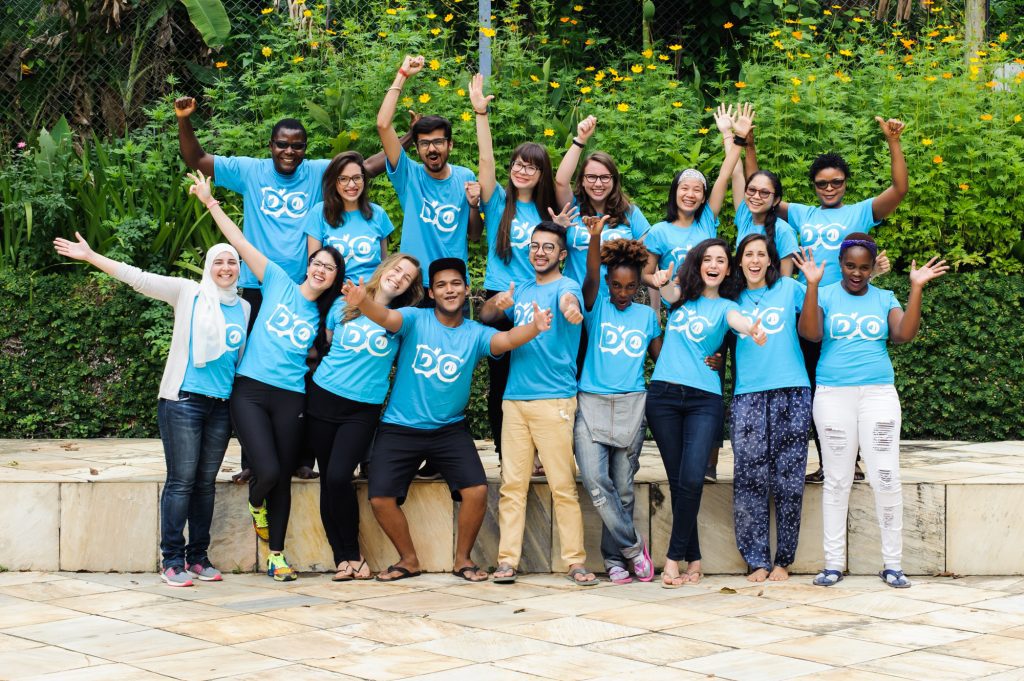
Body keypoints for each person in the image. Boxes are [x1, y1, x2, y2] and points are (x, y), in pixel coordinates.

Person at [175, 97, 409, 482]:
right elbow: (197, 159)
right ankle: (253, 460)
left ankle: (302, 457)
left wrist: (410, 136)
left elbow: (364, 167)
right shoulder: (249, 171)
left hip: (307, 291)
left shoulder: (317, 172)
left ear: (305, 149)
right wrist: (184, 120)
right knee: (252, 368)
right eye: (282, 144)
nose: (289, 151)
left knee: (308, 365)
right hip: (259, 286)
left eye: (297, 145)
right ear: (270, 145)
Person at [54, 233, 250, 587]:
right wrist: (91, 255)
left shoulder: (245, 307)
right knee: (182, 481)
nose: (226, 268)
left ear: (239, 269)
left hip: (221, 406)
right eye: (219, 261)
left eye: (232, 262)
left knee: (205, 484)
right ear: (209, 266)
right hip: (184, 401)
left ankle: (198, 557)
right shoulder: (189, 293)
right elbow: (139, 278)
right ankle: (172, 560)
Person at [344, 257, 552, 582]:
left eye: (456, 283)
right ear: (431, 292)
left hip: (449, 429)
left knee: (477, 491)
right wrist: (363, 303)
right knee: (381, 498)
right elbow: (386, 316)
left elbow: (508, 340)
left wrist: (535, 328)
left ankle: (463, 560)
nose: (449, 290)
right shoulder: (415, 319)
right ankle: (408, 560)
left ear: (467, 289)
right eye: (441, 285)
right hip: (400, 427)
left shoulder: (475, 333)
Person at [187, 170, 344, 582]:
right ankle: (256, 504)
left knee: (284, 480)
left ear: (334, 278)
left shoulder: (326, 314)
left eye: (330, 268)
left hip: (291, 397)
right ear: (308, 265)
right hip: (251, 392)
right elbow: (239, 242)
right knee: (269, 472)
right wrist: (210, 201)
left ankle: (277, 555)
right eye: (318, 262)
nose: (321, 269)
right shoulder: (277, 281)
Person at [745, 116, 907, 482]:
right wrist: (749, 146)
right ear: (814, 186)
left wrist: (893, 142)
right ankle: (829, 462)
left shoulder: (860, 211)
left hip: (849, 308)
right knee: (818, 387)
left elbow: (899, 190)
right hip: (812, 310)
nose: (829, 188)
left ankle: (853, 462)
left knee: (849, 386)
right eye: (822, 183)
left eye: (836, 182)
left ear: (846, 183)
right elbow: (760, 192)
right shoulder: (803, 213)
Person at [795, 235, 947, 589]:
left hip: (878, 395)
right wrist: (812, 285)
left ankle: (893, 564)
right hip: (833, 395)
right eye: (850, 265)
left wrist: (916, 289)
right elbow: (810, 333)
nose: (857, 273)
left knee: (886, 476)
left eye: (864, 267)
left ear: (872, 266)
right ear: (841, 264)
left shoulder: (884, 298)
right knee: (837, 479)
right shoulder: (826, 293)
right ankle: (833, 563)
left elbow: (903, 335)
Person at [479, 222, 595, 586]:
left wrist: (571, 310)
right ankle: (506, 561)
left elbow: (569, 303)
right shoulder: (522, 289)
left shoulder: (567, 286)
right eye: (535, 246)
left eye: (548, 247)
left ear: (562, 254)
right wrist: (497, 304)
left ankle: (575, 562)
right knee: (512, 485)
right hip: (514, 401)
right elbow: (486, 318)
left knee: (562, 485)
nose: (540, 252)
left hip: (554, 400)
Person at [646, 238, 766, 587]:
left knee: (692, 479)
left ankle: (672, 560)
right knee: (679, 482)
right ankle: (694, 559)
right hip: (663, 397)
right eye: (707, 259)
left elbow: (737, 320)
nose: (714, 265)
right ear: (698, 264)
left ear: (728, 269)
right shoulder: (680, 297)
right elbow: (665, 290)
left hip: (704, 400)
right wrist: (661, 281)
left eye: (721, 260)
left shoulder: (728, 307)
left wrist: (751, 329)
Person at [645, 105, 754, 483]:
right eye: (684, 188)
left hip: (714, 310)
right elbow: (644, 271)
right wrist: (657, 279)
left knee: (714, 369)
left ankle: (708, 459)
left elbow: (725, 175)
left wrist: (735, 138)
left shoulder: (708, 219)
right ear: (674, 192)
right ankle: (685, 455)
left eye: (697, 189)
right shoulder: (659, 231)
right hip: (679, 311)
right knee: (681, 374)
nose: (691, 194)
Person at [306, 254, 423, 581]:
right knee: (328, 480)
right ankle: (342, 558)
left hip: (362, 409)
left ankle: (354, 553)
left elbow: (387, 323)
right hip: (323, 397)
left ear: (410, 288)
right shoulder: (341, 305)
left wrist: (363, 302)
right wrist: (356, 301)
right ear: (384, 269)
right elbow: (329, 343)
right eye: (396, 269)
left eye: (407, 277)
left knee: (339, 477)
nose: (399, 277)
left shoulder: (404, 318)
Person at [467, 73, 562, 461]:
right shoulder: (497, 201)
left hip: (537, 298)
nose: (522, 171)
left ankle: (538, 452)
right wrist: (481, 114)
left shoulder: (547, 211)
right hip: (500, 297)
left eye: (531, 167)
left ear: (541, 174)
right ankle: (508, 454)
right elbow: (485, 160)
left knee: (537, 373)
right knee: (501, 376)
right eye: (518, 165)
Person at [575, 218, 661, 585]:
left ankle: (613, 560)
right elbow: (591, 277)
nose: (622, 292)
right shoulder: (596, 307)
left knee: (623, 487)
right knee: (596, 480)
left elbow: (663, 359)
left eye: (630, 286)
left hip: (631, 404)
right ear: (608, 283)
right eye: (616, 285)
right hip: (591, 402)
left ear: (639, 285)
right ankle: (633, 548)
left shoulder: (647, 317)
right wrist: (595, 237)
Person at [729, 233, 811, 582]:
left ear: (771, 260)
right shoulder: (730, 298)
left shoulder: (789, 289)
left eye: (761, 254)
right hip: (748, 395)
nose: (755, 260)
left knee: (789, 481)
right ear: (740, 260)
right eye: (748, 254)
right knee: (749, 479)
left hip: (792, 391)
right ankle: (757, 559)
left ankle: (783, 560)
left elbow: (819, 312)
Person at [377, 56, 482, 288]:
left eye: (438, 142)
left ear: (450, 145)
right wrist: (402, 75)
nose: (432, 149)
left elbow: (474, 236)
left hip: (451, 284)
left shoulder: (465, 177)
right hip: (413, 281)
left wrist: (474, 206)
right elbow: (383, 125)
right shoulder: (408, 176)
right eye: (424, 143)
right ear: (416, 148)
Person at [554, 116, 651, 289]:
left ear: (614, 180)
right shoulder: (572, 208)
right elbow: (561, 181)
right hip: (574, 297)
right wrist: (580, 140)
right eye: (591, 177)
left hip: (617, 300)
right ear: (582, 180)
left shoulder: (630, 212)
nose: (598, 184)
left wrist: (656, 303)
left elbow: (649, 260)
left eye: (605, 177)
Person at [305, 151, 395, 286]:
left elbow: (384, 265)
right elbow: (314, 268)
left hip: (372, 291)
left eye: (357, 178)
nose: (352, 185)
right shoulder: (320, 212)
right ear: (334, 181)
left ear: (364, 179)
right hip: (334, 292)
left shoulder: (378, 213)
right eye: (343, 179)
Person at [730, 169, 799, 277]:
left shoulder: (783, 231)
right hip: (739, 287)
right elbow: (736, 173)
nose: (756, 196)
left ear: (776, 200)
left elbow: (785, 281)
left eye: (764, 193)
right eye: (752, 190)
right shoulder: (745, 217)